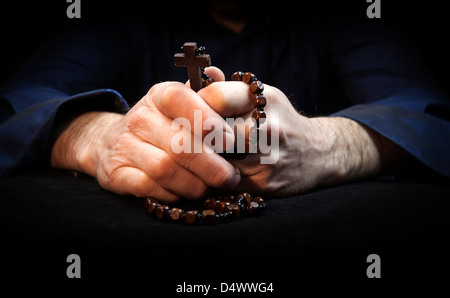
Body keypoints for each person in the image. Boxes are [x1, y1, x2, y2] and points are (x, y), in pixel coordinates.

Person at [1, 1, 449, 204]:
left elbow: (431, 115)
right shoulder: (117, 15)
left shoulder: (339, 13)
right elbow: (16, 104)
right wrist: (100, 135)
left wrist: (325, 143)